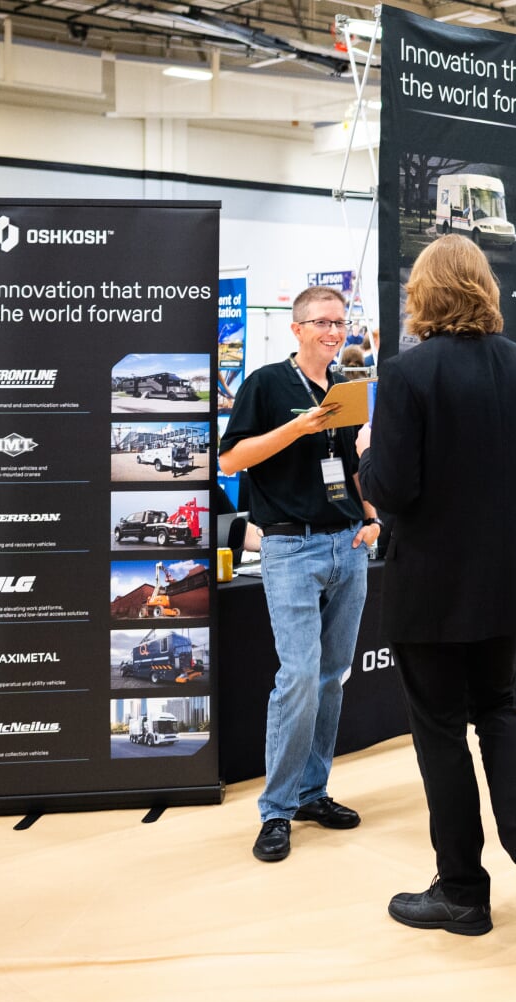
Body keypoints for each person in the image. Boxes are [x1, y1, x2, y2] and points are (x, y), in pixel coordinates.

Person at [360, 235, 516, 936]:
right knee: (499, 712)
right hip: (508, 577)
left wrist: (367, 456)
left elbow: (392, 488)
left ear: (422, 294)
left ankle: (461, 889)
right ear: (487, 288)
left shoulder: (406, 376)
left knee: (441, 734)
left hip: (429, 585)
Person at [217, 285, 379, 863]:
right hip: (290, 549)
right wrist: (298, 429)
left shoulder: (348, 389)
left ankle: (313, 792)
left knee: (333, 675)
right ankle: (277, 809)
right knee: (300, 676)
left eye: (341, 323)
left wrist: (371, 517)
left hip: (347, 546)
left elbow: (351, 468)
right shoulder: (265, 385)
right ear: (297, 328)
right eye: (322, 323)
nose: (334, 332)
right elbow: (231, 460)